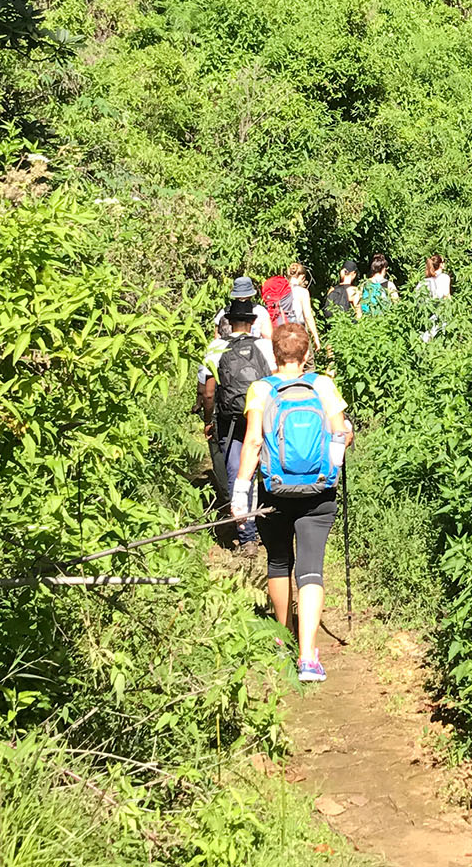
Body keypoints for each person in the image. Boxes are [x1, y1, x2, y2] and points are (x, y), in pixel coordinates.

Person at [230, 322, 352, 682]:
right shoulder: (323, 384)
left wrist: (241, 490)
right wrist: (337, 453)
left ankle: (282, 641)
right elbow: (341, 432)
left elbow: (253, 442)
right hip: (319, 491)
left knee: (279, 559)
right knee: (312, 566)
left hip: (274, 489)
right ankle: (308, 657)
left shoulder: (261, 389)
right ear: (305, 355)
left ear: (276, 354)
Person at [201, 296, 272, 550]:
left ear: (229, 322)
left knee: (236, 473)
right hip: (261, 417)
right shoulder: (265, 347)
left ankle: (247, 536)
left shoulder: (216, 348)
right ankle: (270, 525)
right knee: (263, 472)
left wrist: (208, 420)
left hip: (230, 419)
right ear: (252, 322)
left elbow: (208, 393)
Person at [286, 261, 319, 333]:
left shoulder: (281, 290)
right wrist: (316, 337)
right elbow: (308, 316)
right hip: (298, 330)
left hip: (283, 329)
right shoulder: (303, 292)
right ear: (303, 277)